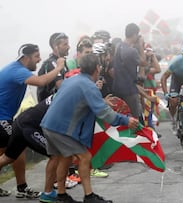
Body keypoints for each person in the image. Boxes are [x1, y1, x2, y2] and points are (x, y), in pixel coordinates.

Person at [41, 53, 138, 203]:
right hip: (61, 129)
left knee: (64, 158)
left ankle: (61, 195)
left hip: (48, 124)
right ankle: (89, 196)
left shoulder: (71, 80)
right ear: (97, 69)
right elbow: (104, 114)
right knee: (85, 157)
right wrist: (126, 120)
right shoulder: (89, 86)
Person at [0, 43, 65, 198]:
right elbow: (41, 82)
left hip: (5, 117)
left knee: (10, 152)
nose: (39, 59)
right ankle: (23, 188)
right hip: (2, 118)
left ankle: (22, 187)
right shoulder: (18, 70)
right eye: (36, 56)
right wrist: (58, 68)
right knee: (13, 149)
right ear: (25, 57)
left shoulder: (15, 69)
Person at [112, 23, 147, 122]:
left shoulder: (118, 47)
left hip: (117, 88)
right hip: (130, 90)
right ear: (135, 35)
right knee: (135, 119)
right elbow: (143, 63)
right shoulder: (131, 51)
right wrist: (140, 46)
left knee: (122, 119)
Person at [37, 32, 70, 102]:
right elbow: (62, 87)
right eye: (65, 44)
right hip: (49, 108)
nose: (68, 47)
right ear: (55, 46)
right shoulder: (51, 63)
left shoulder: (61, 61)